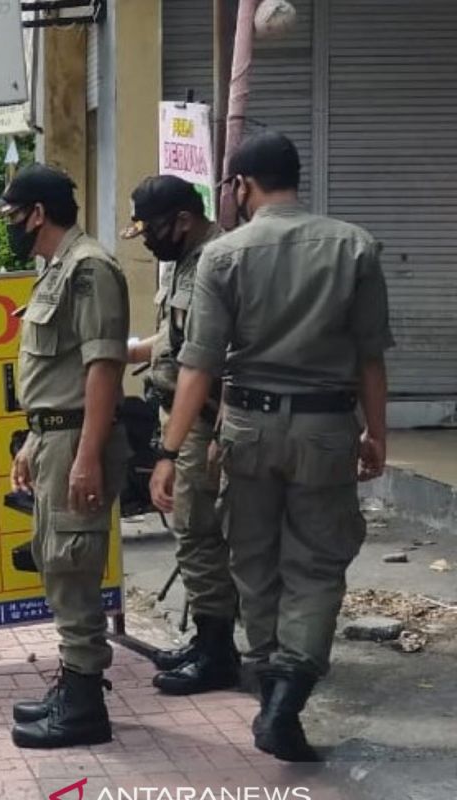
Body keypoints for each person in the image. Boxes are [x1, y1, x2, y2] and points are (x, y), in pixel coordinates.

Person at [150, 132, 393, 762]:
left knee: (253, 562)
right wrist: (377, 435)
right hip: (326, 428)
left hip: (247, 430)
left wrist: (170, 451)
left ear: (240, 186)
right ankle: (288, 695)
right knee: (315, 565)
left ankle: (268, 688)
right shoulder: (354, 246)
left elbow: (198, 366)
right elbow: (371, 358)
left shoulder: (223, 256)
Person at [0, 165, 131, 749]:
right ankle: (73, 687)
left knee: (73, 565)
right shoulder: (56, 268)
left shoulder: (89, 268)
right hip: (56, 437)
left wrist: (86, 455)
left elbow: (103, 367)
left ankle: (83, 708)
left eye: (11, 216)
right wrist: (34, 438)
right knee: (56, 563)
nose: (9, 226)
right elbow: (59, 371)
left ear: (37, 214)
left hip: (78, 441)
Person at [121, 175, 238, 696]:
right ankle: (207, 641)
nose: (147, 241)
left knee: (198, 531)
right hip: (182, 415)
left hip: (204, 419)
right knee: (193, 533)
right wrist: (133, 352)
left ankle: (218, 653)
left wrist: (182, 442)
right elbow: (176, 339)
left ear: (183, 221)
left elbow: (214, 356)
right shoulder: (188, 261)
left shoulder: (217, 261)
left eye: (152, 229)